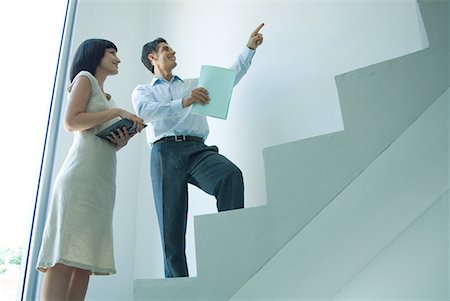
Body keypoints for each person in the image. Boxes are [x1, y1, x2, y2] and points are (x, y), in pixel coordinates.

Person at [132, 23, 264, 278]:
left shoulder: (194, 84)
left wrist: (249, 49)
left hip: (197, 150)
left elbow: (229, 78)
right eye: (166, 49)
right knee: (171, 228)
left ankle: (232, 254)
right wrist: (185, 101)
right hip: (164, 154)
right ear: (152, 58)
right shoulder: (144, 91)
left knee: (229, 175)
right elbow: (145, 112)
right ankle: (178, 289)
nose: (173, 52)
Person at [36, 38, 146, 300]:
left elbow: (99, 139)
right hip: (80, 177)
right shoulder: (84, 78)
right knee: (65, 253)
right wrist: (117, 112)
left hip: (101, 181)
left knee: (84, 259)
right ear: (95, 54)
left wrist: (121, 140)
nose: (118, 58)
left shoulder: (106, 98)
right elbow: (71, 122)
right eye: (112, 53)